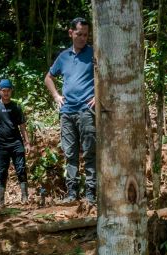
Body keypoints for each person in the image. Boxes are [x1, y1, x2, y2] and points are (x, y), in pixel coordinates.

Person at [45, 17, 96, 204]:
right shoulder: (64, 56)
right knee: (70, 153)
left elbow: (106, 73)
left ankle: (91, 194)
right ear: (70, 33)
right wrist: (56, 96)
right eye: (79, 34)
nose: (83, 38)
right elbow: (48, 78)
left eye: (85, 35)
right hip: (67, 112)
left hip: (86, 111)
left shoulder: (93, 53)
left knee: (90, 152)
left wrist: (98, 95)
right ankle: (72, 194)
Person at [0, 78, 28, 207]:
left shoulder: (16, 106)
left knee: (21, 169)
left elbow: (22, 126)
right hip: (1, 145)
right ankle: (1, 201)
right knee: (2, 172)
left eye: (8, 91)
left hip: (16, 144)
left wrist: (27, 143)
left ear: (11, 91)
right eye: (4, 91)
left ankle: (25, 197)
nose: (6, 93)